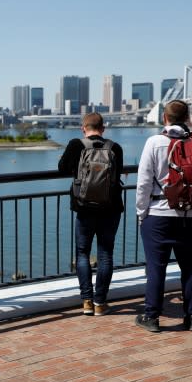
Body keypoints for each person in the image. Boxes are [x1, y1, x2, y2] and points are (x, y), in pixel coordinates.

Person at [134, 100, 192, 333]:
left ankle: (151, 317)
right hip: (191, 214)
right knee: (191, 267)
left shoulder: (154, 142)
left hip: (158, 215)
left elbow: (143, 183)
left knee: (156, 267)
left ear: (164, 118)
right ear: (189, 117)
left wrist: (142, 213)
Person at [58, 112, 124, 316]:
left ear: (83, 128)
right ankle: (100, 302)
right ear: (103, 129)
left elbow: (61, 169)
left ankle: (86, 301)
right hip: (110, 208)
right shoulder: (114, 147)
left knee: (82, 252)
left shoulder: (76, 145)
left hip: (84, 207)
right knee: (105, 255)